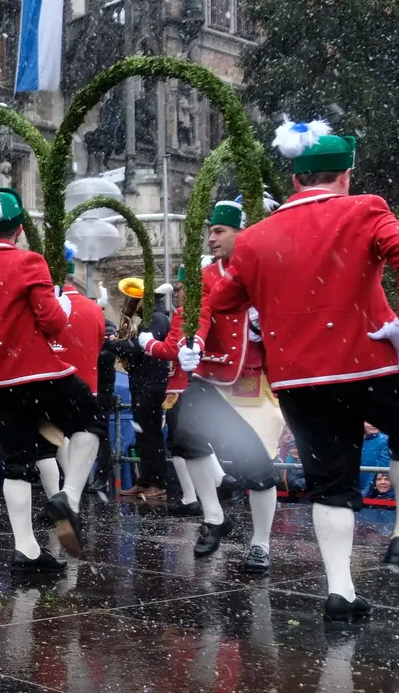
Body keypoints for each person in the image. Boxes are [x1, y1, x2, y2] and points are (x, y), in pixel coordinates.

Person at [205, 118, 399, 622]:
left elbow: (225, 298)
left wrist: (265, 294)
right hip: (366, 362)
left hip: (297, 379)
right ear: (345, 176)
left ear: (296, 179)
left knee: (330, 484)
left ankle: (340, 591)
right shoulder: (366, 209)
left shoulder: (254, 238)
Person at [0, 187, 104, 567]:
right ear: (19, 229)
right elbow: (53, 322)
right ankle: (68, 497)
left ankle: (26, 550)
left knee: (15, 463)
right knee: (89, 419)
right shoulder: (29, 262)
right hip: (38, 374)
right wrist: (59, 304)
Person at [143, 198, 285, 572]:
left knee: (259, 471)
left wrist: (267, 324)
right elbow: (200, 315)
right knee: (185, 439)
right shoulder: (206, 276)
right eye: (210, 232)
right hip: (210, 375)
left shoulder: (272, 269)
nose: (211, 239)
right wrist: (194, 344)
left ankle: (260, 544)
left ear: (244, 233)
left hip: (255, 382)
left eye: (219, 231)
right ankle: (214, 517)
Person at [44, 250, 109, 503]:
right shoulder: (93, 308)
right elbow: (100, 342)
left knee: (47, 449)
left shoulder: (48, 306)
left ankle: (59, 498)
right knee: (82, 440)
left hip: (54, 386)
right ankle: (72, 494)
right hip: (87, 387)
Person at [104, 279, 175, 498]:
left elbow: (138, 348)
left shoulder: (156, 318)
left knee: (151, 435)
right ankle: (145, 480)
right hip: (142, 381)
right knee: (143, 435)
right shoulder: (149, 318)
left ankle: (158, 481)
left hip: (151, 383)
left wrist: (111, 343)